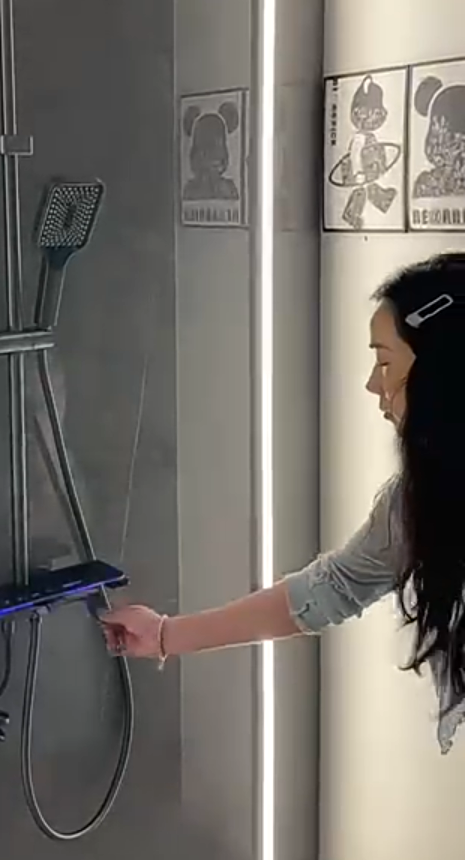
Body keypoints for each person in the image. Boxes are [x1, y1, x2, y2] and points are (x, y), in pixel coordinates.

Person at [102, 252, 465, 755]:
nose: (372, 384)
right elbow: (332, 586)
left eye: (385, 362)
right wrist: (166, 634)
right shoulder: (418, 502)